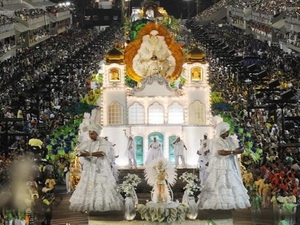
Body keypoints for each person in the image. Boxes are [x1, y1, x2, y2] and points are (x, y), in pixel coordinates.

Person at [69, 124, 124, 212]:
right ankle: (88, 205)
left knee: (100, 186)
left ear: (97, 134)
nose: (90, 135)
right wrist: (81, 153)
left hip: (100, 168)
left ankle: (101, 205)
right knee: (87, 184)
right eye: (89, 134)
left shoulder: (103, 142)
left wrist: (90, 154)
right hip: (89, 168)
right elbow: (79, 151)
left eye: (92, 134)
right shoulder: (87, 143)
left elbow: (102, 153)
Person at [197, 121, 250, 210]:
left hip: (229, 165)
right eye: (226, 131)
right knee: (220, 184)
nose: (228, 133)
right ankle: (219, 204)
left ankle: (231, 202)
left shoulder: (230, 140)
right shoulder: (216, 141)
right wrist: (233, 152)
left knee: (231, 183)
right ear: (222, 131)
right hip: (221, 165)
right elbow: (220, 152)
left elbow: (234, 148)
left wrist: (241, 149)